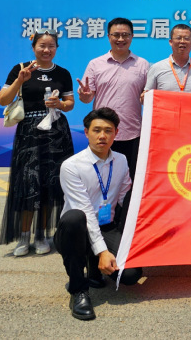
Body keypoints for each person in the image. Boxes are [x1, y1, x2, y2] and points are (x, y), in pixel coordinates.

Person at [54, 107, 142, 321]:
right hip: (76, 231)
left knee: (131, 275)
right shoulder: (71, 166)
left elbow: (125, 198)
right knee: (75, 217)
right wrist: (103, 251)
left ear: (116, 133)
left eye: (108, 131)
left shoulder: (121, 160)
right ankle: (78, 290)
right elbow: (85, 210)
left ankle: (95, 269)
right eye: (97, 130)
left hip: (106, 226)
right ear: (86, 133)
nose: (102, 135)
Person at [0, 29, 75, 257]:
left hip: (56, 133)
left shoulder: (62, 73)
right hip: (29, 133)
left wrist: (59, 104)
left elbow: (70, 103)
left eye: (51, 46)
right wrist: (19, 81)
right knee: (27, 183)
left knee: (49, 185)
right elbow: (3, 99)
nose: (46, 50)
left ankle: (41, 235)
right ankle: (24, 237)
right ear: (33, 47)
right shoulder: (20, 69)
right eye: (42, 45)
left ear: (56, 49)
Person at [77, 18, 150, 180]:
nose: (121, 39)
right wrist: (85, 95)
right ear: (108, 36)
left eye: (125, 35)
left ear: (132, 36)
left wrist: (147, 97)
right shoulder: (95, 64)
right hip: (102, 133)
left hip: (132, 133)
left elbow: (147, 98)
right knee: (99, 178)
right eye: (116, 35)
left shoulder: (143, 65)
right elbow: (86, 99)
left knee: (130, 179)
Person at [143, 24, 191, 99]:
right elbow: (147, 97)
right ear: (171, 42)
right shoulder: (156, 68)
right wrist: (144, 97)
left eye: (186, 38)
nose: (182, 41)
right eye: (178, 38)